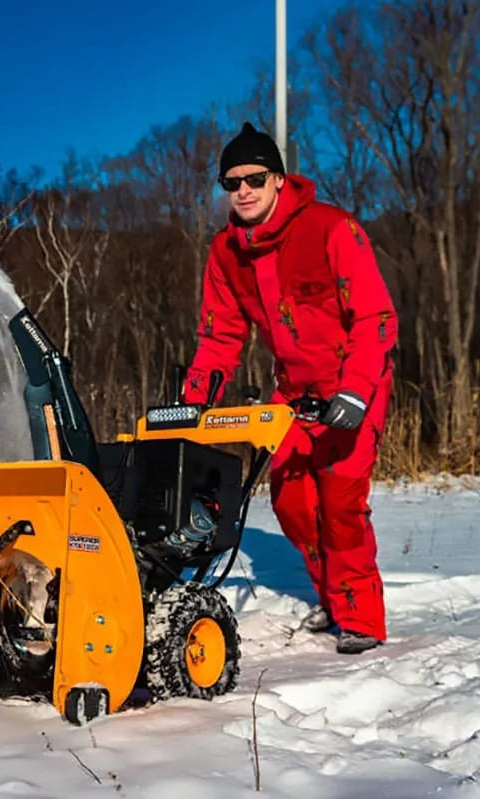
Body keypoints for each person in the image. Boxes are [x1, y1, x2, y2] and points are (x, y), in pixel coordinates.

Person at [183, 123, 398, 655]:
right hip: (293, 394)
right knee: (293, 501)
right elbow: (220, 333)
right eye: (231, 183)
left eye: (255, 178)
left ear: (279, 179)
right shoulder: (226, 252)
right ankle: (333, 593)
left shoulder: (331, 229)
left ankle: (361, 618)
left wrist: (354, 391)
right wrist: (192, 402)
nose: (243, 191)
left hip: (354, 382)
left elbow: (374, 316)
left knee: (342, 499)